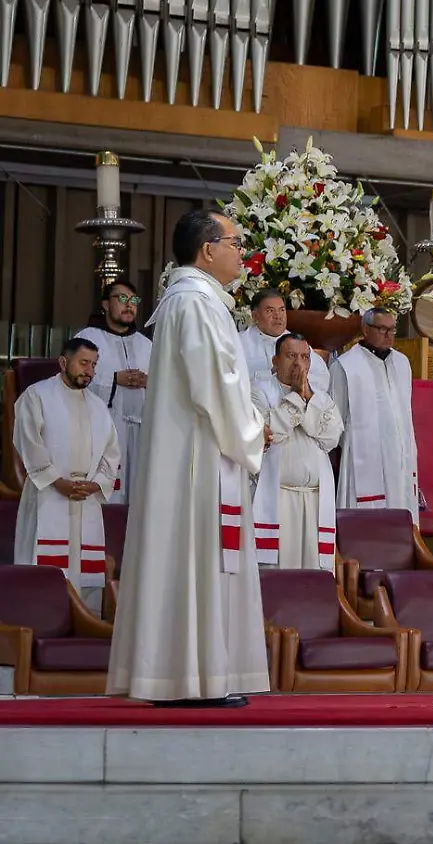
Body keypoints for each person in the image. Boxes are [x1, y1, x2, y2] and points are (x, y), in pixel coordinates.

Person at [107, 209, 272, 707]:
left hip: (199, 452)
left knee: (197, 560)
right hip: (198, 458)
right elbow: (213, 384)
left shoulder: (193, 300)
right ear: (207, 249)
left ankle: (197, 675)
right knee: (197, 557)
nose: (241, 253)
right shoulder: (196, 302)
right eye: (236, 243)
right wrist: (250, 428)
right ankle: (191, 679)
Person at [12, 337, 121, 611]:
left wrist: (96, 485)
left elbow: (112, 452)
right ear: (63, 362)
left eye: (94, 366)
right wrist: (56, 480)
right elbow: (28, 442)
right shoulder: (37, 396)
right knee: (46, 570)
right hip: (48, 494)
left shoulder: (98, 406)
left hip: (87, 499)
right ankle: (40, 625)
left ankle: (85, 621)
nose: (90, 371)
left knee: (86, 577)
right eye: (84, 363)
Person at [252, 333, 343, 571]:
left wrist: (308, 398)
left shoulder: (320, 398)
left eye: (304, 357)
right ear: (275, 361)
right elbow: (269, 435)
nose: (298, 363)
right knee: (278, 573)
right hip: (277, 500)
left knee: (313, 576)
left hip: (316, 501)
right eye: (291, 356)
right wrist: (295, 397)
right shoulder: (258, 393)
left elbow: (331, 437)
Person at [332, 308, 418, 517]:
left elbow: (404, 411)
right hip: (363, 457)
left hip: (399, 454)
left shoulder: (402, 363)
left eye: (392, 330)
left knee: (400, 506)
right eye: (382, 329)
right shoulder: (345, 366)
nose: (389, 335)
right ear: (365, 328)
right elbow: (336, 418)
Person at [74, 279, 150, 503]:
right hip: (104, 431)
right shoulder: (87, 338)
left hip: (141, 433)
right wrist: (116, 380)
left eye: (134, 300)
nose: (129, 305)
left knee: (139, 499)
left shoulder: (148, 345)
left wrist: (149, 381)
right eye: (122, 299)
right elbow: (75, 379)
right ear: (106, 304)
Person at [239, 289, 331, 394]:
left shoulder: (297, 343)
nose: (278, 316)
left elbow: (322, 378)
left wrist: (300, 381)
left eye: (282, 310)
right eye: (270, 311)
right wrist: (271, 375)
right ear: (255, 315)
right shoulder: (239, 343)